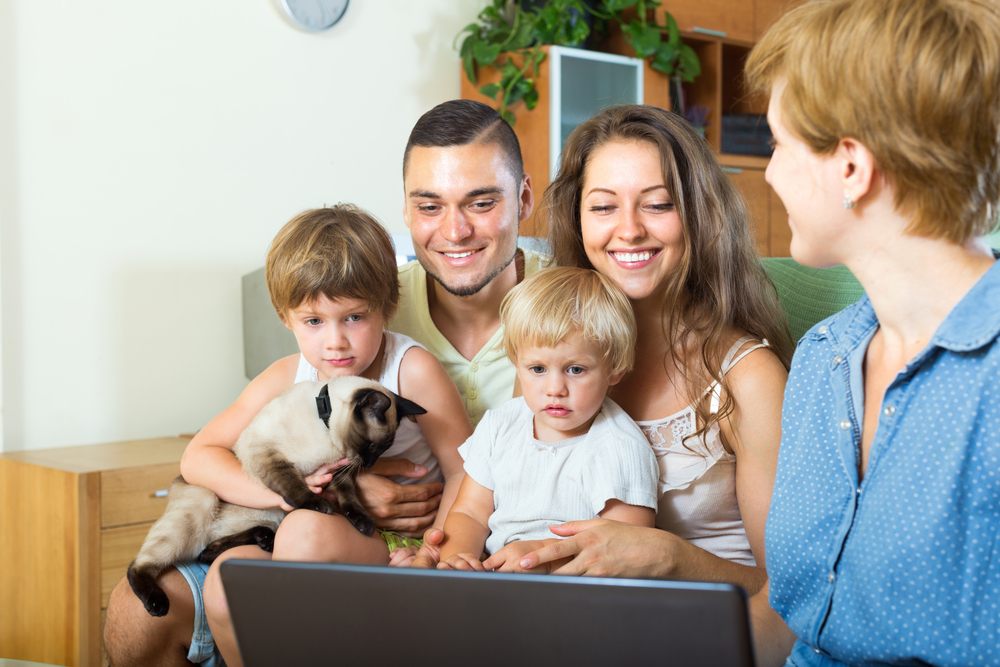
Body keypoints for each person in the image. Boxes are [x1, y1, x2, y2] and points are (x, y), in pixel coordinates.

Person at [740, 1, 1000, 664]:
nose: (767, 173)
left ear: (850, 167)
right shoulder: (823, 357)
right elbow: (796, 624)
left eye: (778, 143)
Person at [105, 205, 471, 667]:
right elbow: (198, 456)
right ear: (285, 317)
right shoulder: (287, 376)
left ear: (387, 307)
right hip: (315, 524)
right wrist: (280, 494)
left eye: (354, 317)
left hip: (394, 542)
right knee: (228, 578)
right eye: (314, 322)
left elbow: (466, 471)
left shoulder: (411, 370)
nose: (335, 342)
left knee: (302, 533)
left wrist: (443, 554)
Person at [514, 104, 791, 593]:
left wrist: (672, 559)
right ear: (578, 221)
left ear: (698, 215)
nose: (629, 229)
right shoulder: (549, 359)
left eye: (658, 204)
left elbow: (794, 592)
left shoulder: (749, 378)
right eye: (603, 207)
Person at [432, 266, 659, 572]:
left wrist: (542, 553)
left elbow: (628, 547)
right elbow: (470, 512)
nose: (555, 389)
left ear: (614, 368)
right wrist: (458, 559)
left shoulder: (620, 446)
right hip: (496, 579)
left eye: (575, 370)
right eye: (537, 369)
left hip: (575, 591)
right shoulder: (500, 425)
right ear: (516, 362)